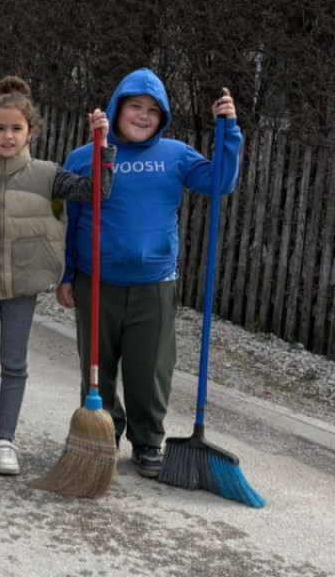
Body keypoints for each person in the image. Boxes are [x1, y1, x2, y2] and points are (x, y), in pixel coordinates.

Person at [56, 68, 239, 479]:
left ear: (163, 117)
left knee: (150, 369)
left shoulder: (176, 155)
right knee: (96, 368)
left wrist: (229, 131)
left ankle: (147, 441)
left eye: (152, 111)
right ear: (118, 108)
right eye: (135, 107)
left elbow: (220, 183)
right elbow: (73, 220)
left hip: (154, 285)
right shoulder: (86, 157)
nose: (142, 116)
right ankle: (103, 433)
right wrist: (67, 276)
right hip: (95, 280)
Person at [0, 76, 113, 476]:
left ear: (31, 132)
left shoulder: (49, 176)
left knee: (14, 364)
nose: (7, 136)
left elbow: (97, 191)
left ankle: (6, 439)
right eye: (0, 128)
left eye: (16, 128)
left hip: (23, 286)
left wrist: (102, 146)